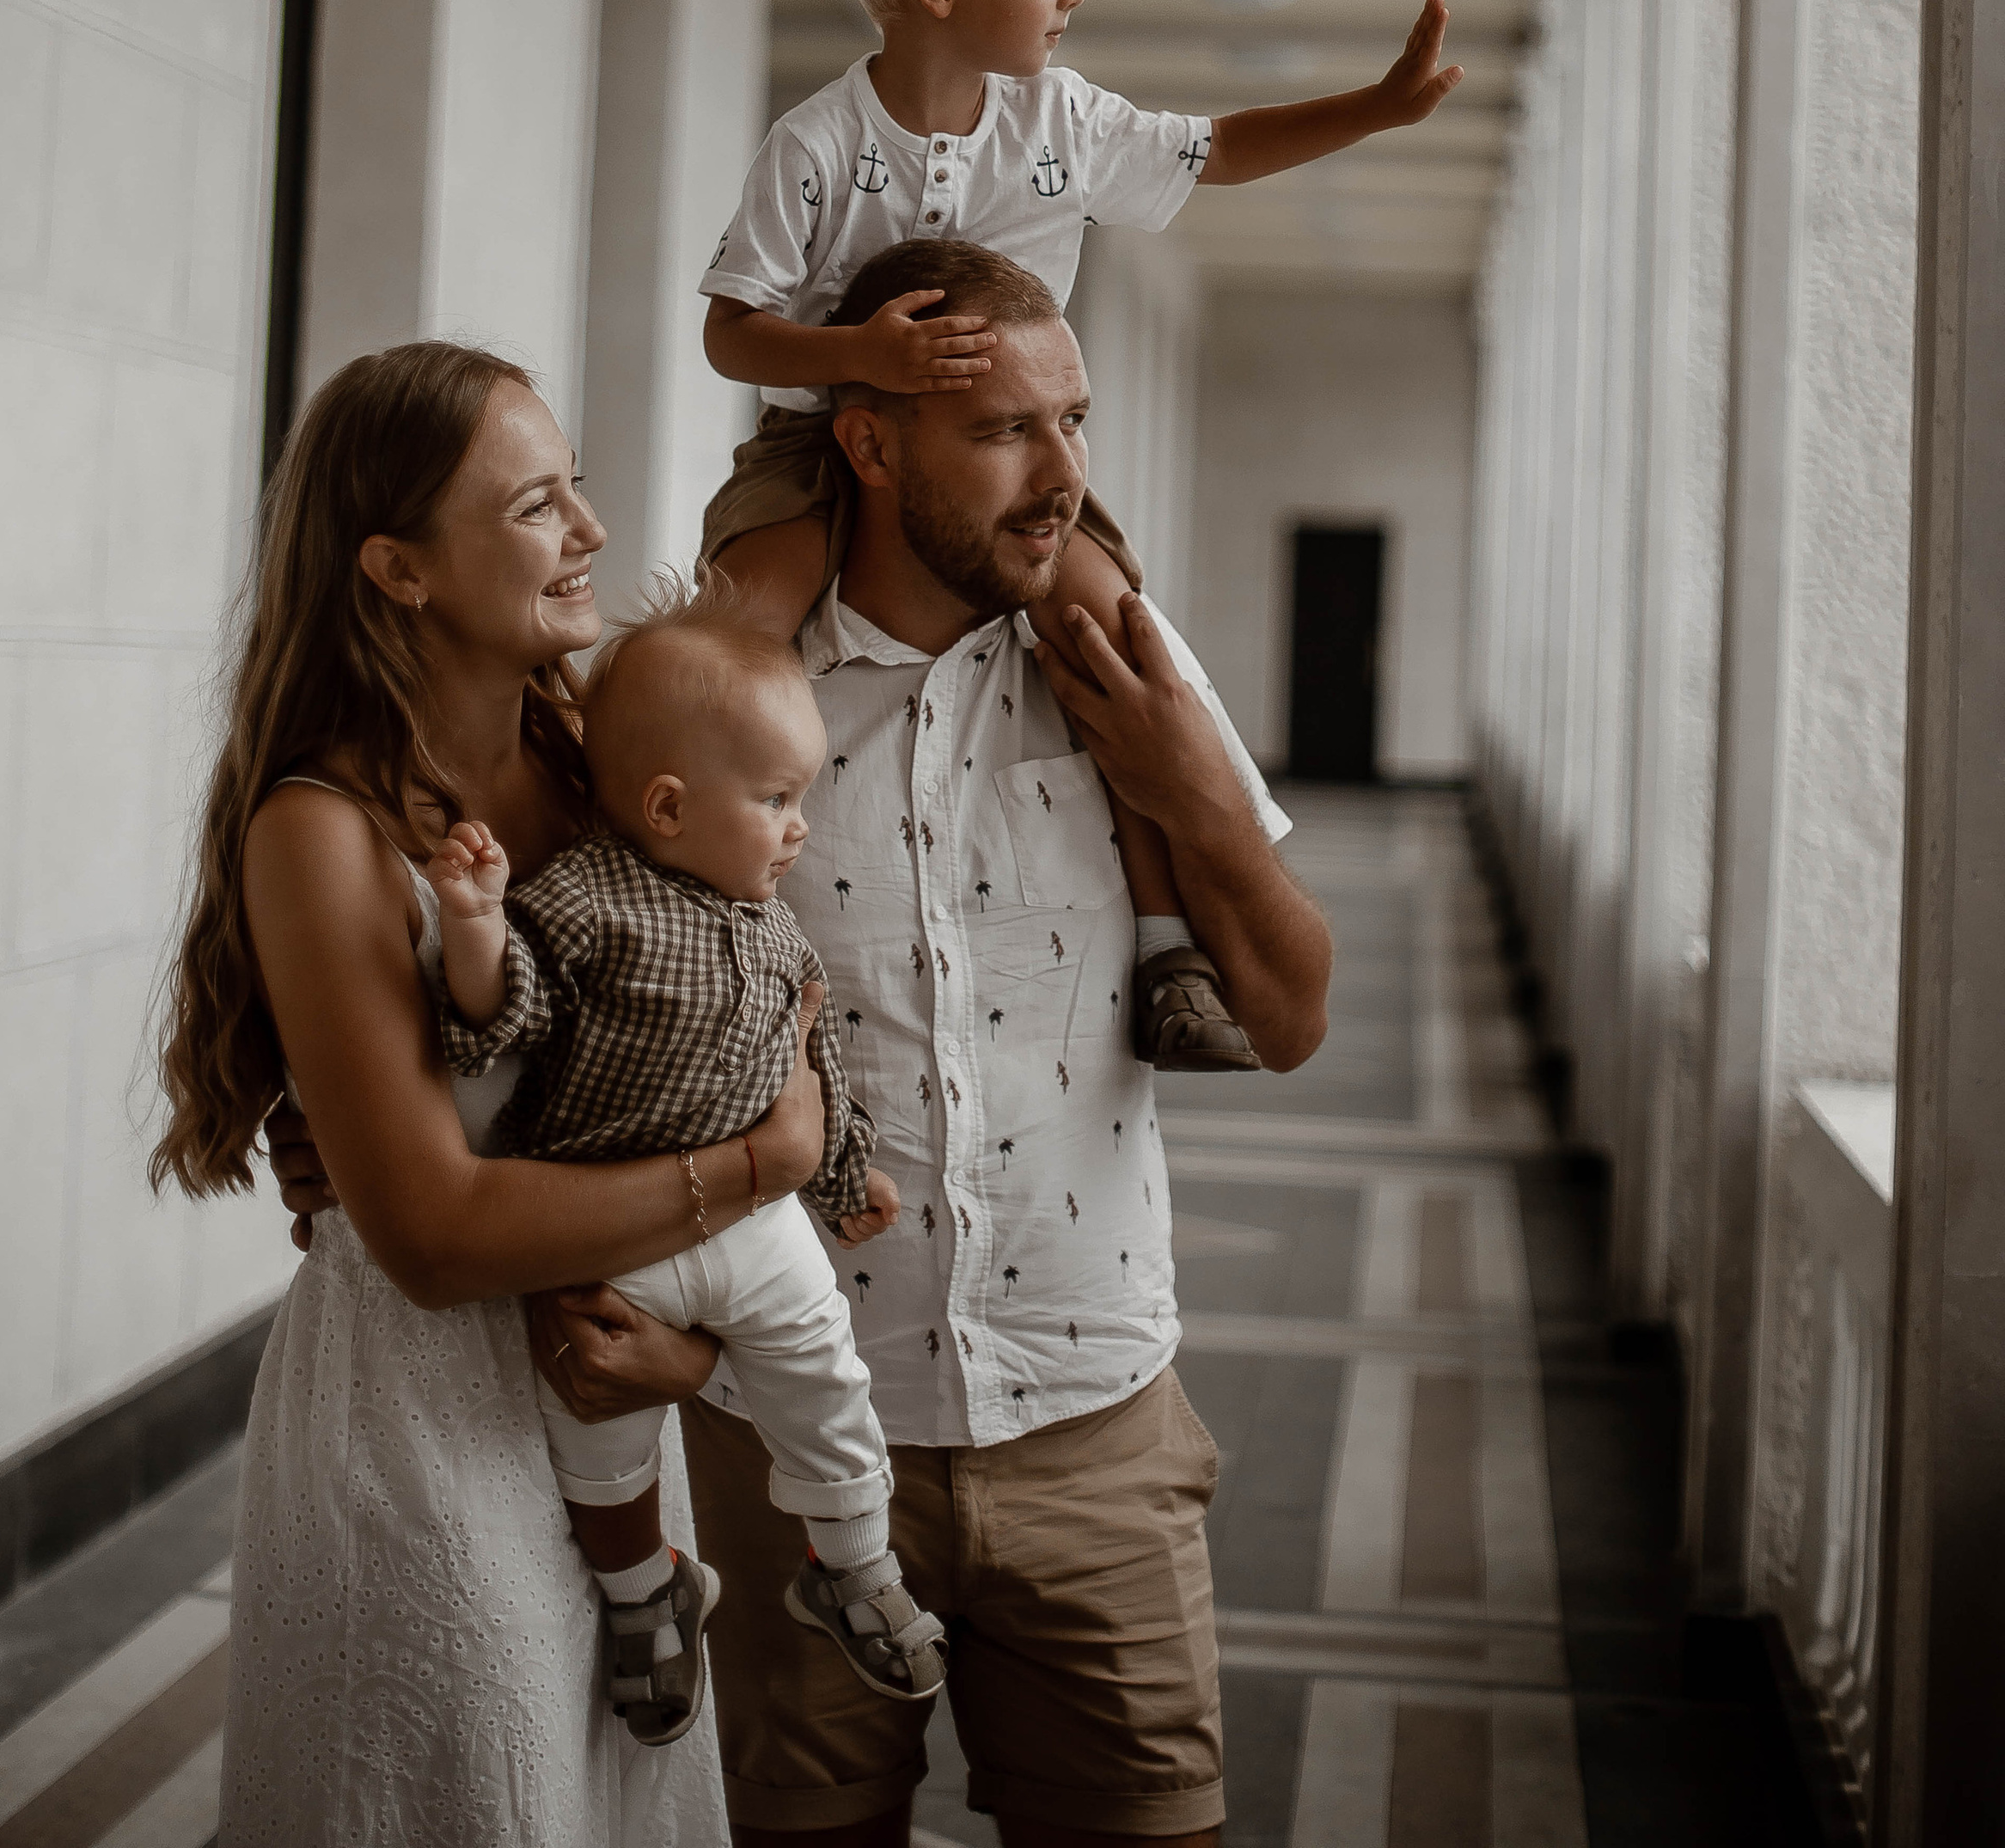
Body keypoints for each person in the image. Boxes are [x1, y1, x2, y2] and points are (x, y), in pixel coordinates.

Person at [266, 246, 1336, 1848]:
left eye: (1076, 423)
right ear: (873, 443)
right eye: (1006, 432)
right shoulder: (685, 728)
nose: (1066, 481)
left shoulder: (1119, 673)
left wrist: (1191, 785)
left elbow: (1294, 1014)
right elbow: (539, 1084)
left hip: (1095, 1420)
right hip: (769, 1432)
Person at [153, 339, 830, 1848]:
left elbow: (747, 985)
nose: (590, 530)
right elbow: (438, 1237)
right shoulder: (322, 833)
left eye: (577, 485)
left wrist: (695, 1345)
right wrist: (763, 1160)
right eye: (537, 505)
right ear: (397, 568)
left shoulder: (602, 765)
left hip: (602, 1397)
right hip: (416, 1435)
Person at [697, 0, 1453, 1072]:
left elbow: (1217, 149)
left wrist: (1375, 107)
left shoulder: (1066, 126)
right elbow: (734, 332)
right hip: (820, 440)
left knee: (1112, 636)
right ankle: (688, 898)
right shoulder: (819, 146)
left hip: (1003, 468)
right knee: (726, 646)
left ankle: (1169, 949)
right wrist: (856, 364)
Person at [420, 590, 946, 1729]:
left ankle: (853, 1563)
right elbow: (501, 1024)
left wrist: (848, 1176)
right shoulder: (585, 905)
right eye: (775, 801)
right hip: (615, 1217)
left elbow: (818, 1057)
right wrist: (473, 928)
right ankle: (642, 1591)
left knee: (827, 1377)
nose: (800, 828)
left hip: (757, 1228)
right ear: (667, 805)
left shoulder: (777, 927)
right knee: (593, 1410)